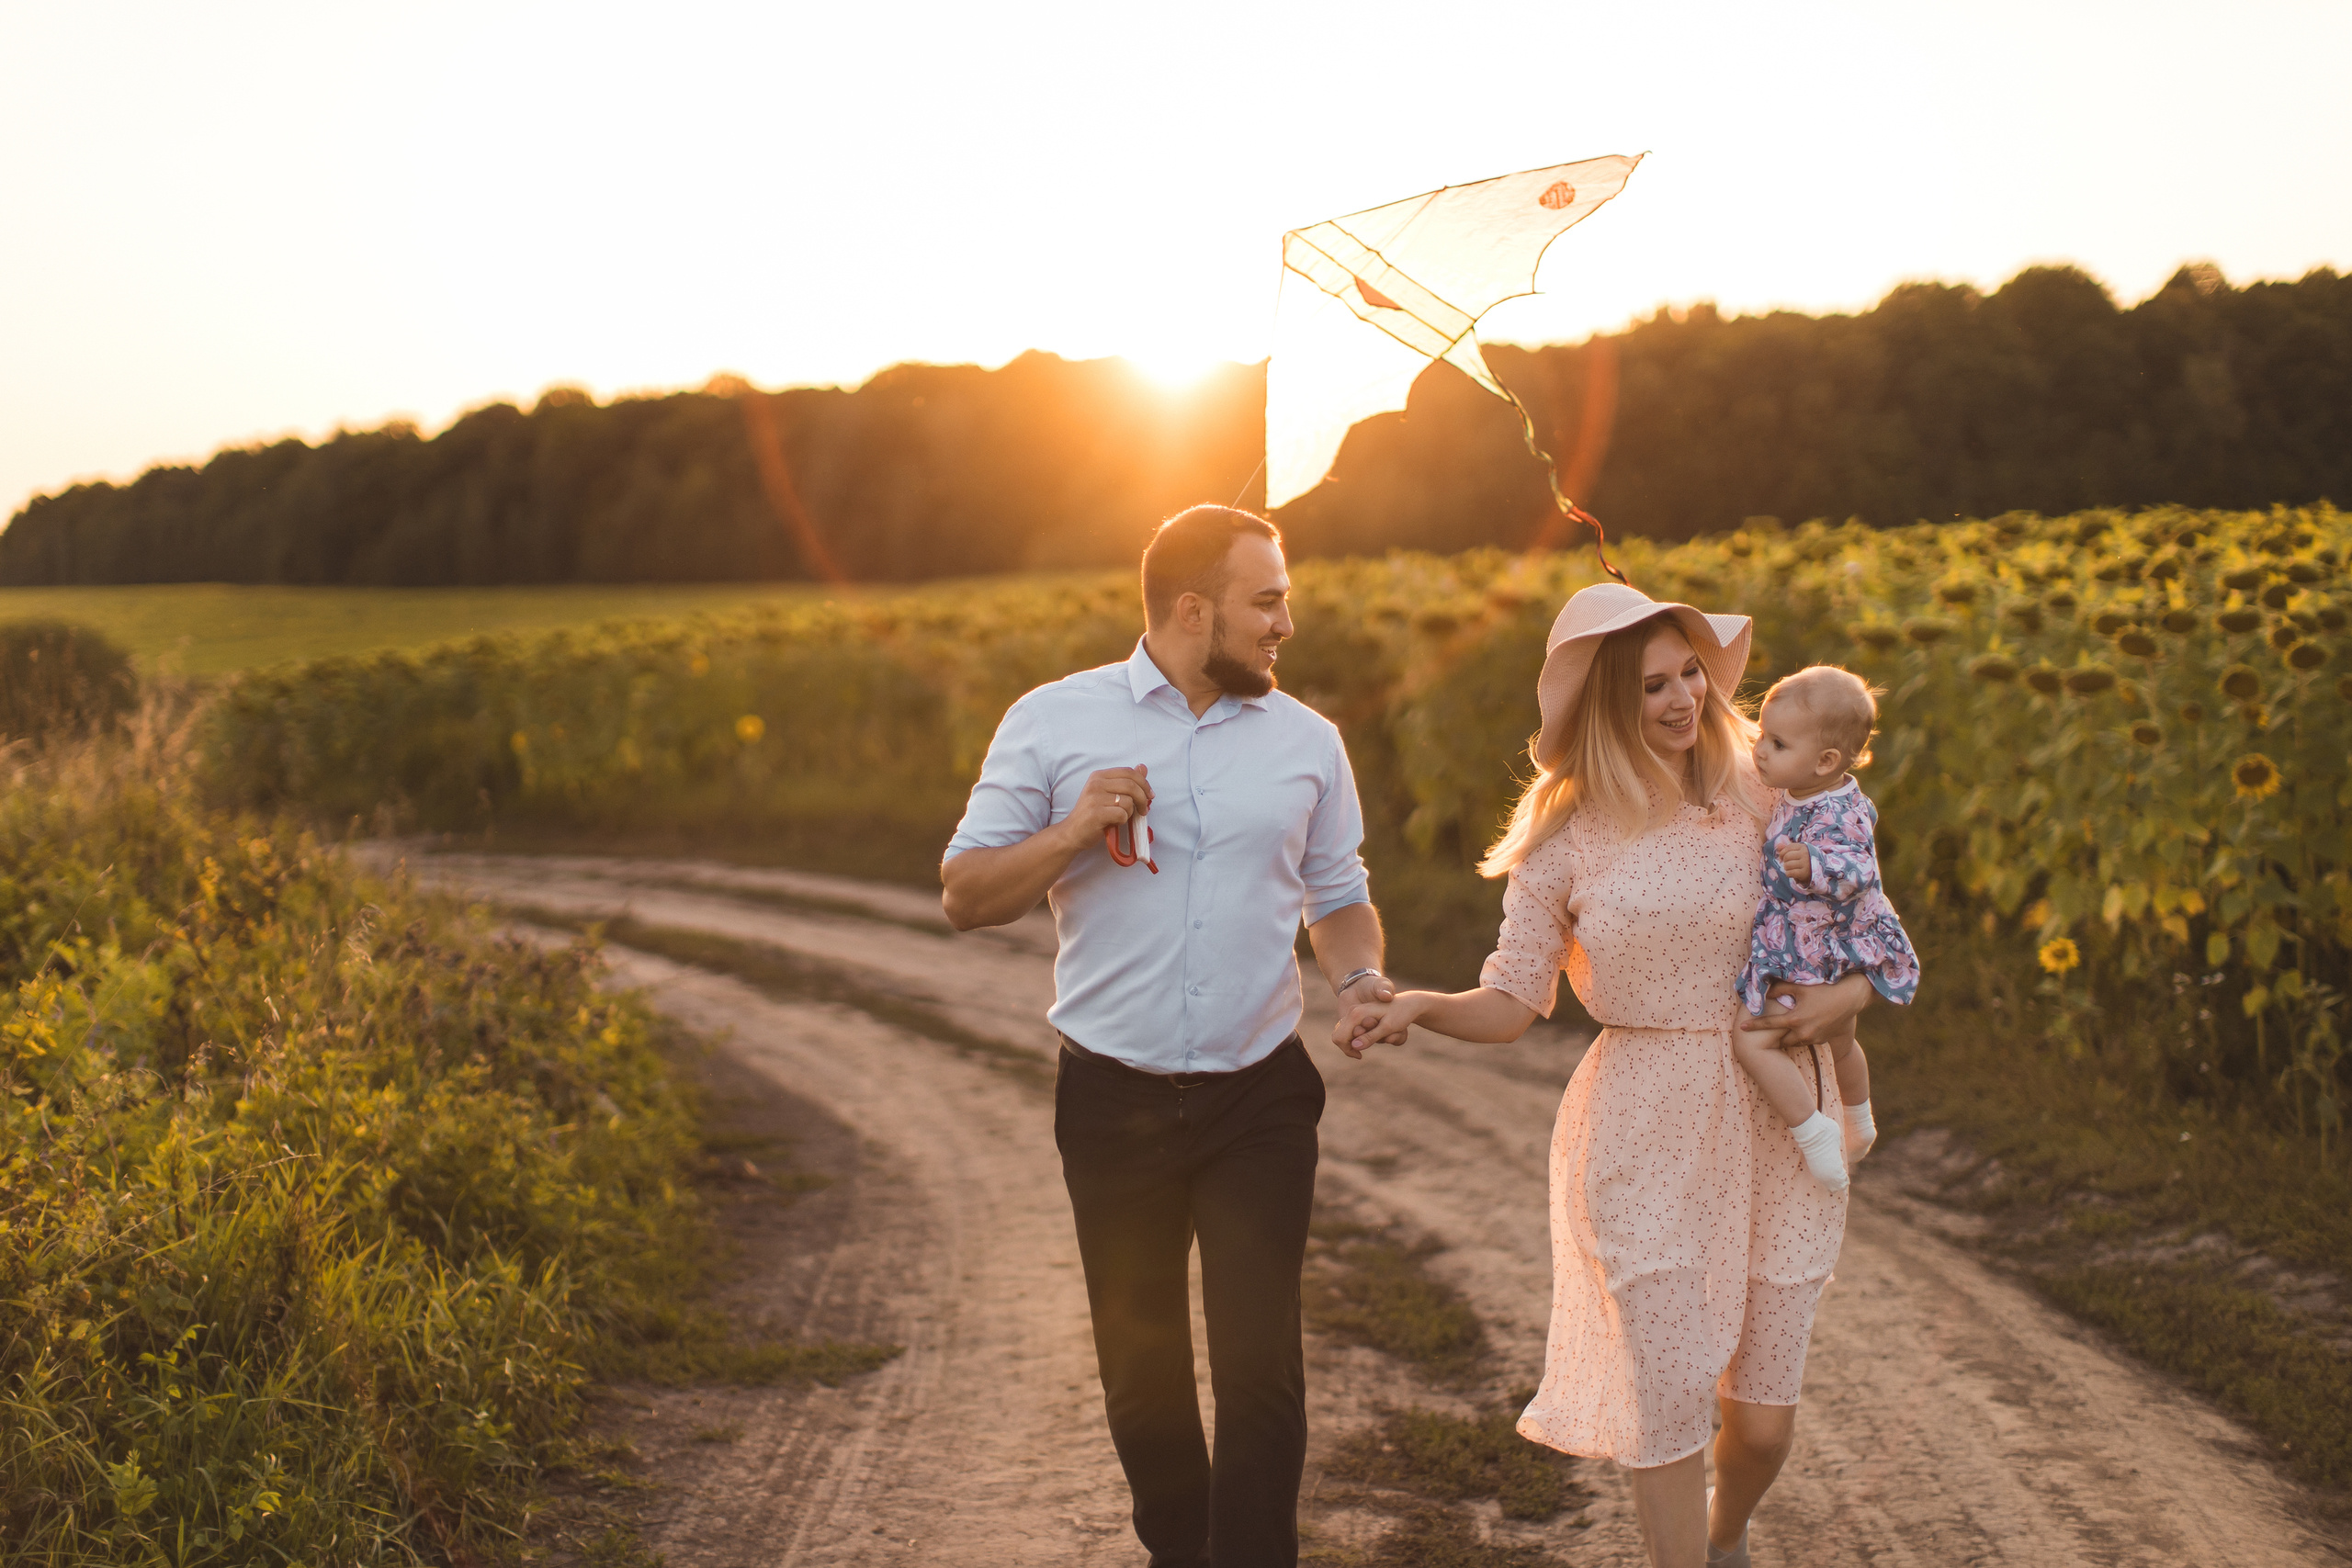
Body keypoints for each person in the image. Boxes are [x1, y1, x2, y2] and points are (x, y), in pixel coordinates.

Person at [1333, 581, 1874, 1568]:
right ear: (1601, 706)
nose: (1680, 701)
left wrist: (1846, 1005)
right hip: (1640, 1121)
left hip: (1776, 1106)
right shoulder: (1562, 839)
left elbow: (1851, 920)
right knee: (1667, 1389)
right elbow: (1510, 1000)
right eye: (1650, 686)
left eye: (1688, 677)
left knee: (1759, 1428)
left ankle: (1725, 1533)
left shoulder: (1766, 794)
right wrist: (1421, 1006)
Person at [941, 504, 1389, 1568]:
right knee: (1140, 1381)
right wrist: (1069, 830)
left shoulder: (1307, 742)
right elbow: (964, 895)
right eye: (1266, 601)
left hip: (1257, 1097)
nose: (1288, 622)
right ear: (1194, 611)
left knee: (1260, 1369)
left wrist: (1360, 976)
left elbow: (1338, 894)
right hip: (1112, 1101)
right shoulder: (1052, 721)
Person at [1734, 664, 1919, 1192]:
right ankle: (1859, 1123)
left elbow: (1860, 868)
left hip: (1819, 949)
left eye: (1776, 742)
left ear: (1826, 761)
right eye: (1761, 736)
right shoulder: (1798, 791)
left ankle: (1816, 1133)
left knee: (1752, 1043)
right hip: (1815, 942)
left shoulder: (1843, 809)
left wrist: (1814, 864)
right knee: (1840, 1043)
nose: (1760, 751)